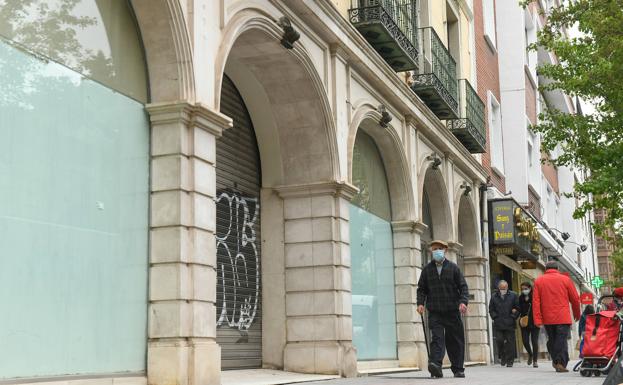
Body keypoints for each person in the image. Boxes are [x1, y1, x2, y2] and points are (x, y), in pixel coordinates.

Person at [417, 240, 469, 379]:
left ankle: (458, 368)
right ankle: (436, 366)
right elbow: (421, 289)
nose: (437, 251)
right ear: (431, 251)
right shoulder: (427, 270)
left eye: (439, 248)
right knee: (437, 339)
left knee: (454, 340)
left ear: (445, 250)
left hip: (452, 310)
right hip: (435, 311)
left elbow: (463, 287)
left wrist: (463, 302)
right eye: (434, 249)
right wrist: (420, 303)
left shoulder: (453, 268)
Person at [533, 261, 581, 373]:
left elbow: (536, 302)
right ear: (557, 268)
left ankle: (558, 361)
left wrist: (537, 319)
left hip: (547, 318)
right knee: (561, 339)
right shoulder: (565, 279)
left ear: (546, 269)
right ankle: (559, 362)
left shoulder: (539, 280)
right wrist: (577, 314)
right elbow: (575, 299)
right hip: (563, 317)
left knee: (553, 339)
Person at [489, 280, 520, 367]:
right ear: (499, 288)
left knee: (510, 342)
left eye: (505, 288)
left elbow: (518, 308)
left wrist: (513, 317)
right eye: (502, 288)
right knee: (499, 340)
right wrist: (495, 317)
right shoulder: (494, 296)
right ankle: (503, 356)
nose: (503, 290)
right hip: (499, 323)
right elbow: (491, 309)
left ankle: (510, 361)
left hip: (510, 322)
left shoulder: (513, 295)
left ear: (507, 287)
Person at [518, 281, 540, 367]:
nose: (524, 290)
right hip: (524, 322)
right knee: (525, 341)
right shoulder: (520, 298)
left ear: (530, 288)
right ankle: (530, 354)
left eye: (525, 289)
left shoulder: (535, 296)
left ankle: (535, 361)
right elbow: (519, 308)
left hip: (535, 322)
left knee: (534, 341)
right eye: (522, 289)